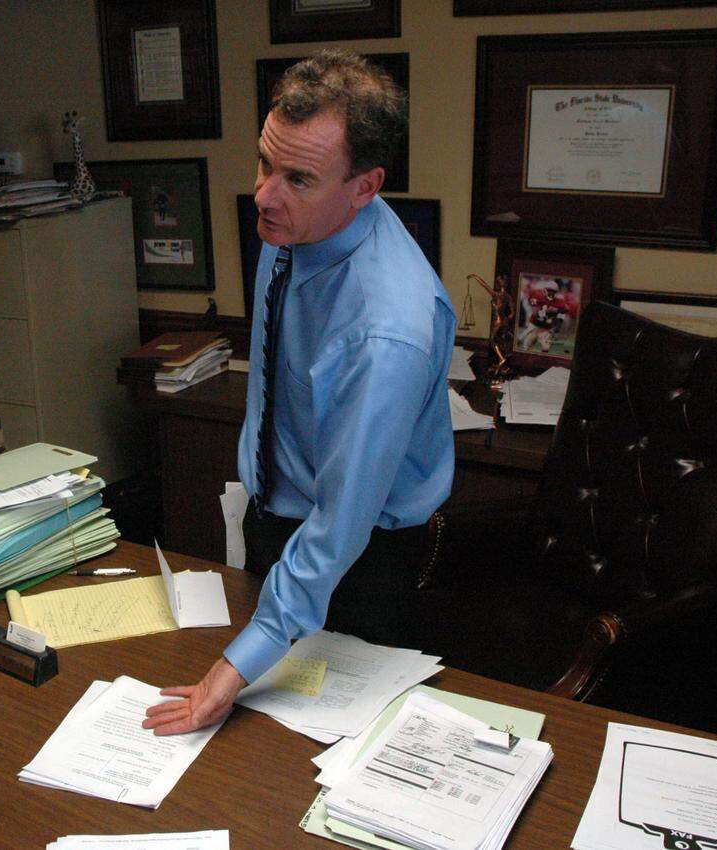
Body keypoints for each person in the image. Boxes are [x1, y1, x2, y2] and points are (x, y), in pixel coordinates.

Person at [143, 49, 456, 736]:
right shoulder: (294, 222)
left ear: (365, 187)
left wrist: (241, 660)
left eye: (297, 178)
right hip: (276, 519)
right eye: (264, 163)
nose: (264, 195)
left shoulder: (386, 330)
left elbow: (342, 523)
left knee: (309, 754)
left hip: (359, 563)